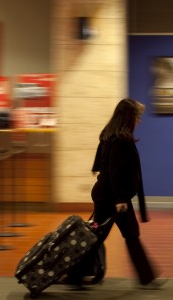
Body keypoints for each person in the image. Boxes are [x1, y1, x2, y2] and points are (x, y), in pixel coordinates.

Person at [66, 98, 166, 290]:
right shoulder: (121, 139)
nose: (139, 121)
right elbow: (115, 171)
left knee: (127, 234)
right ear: (129, 117)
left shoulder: (110, 134)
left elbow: (103, 165)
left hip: (108, 195)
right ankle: (75, 274)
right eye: (137, 116)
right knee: (101, 236)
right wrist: (120, 199)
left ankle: (146, 277)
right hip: (112, 198)